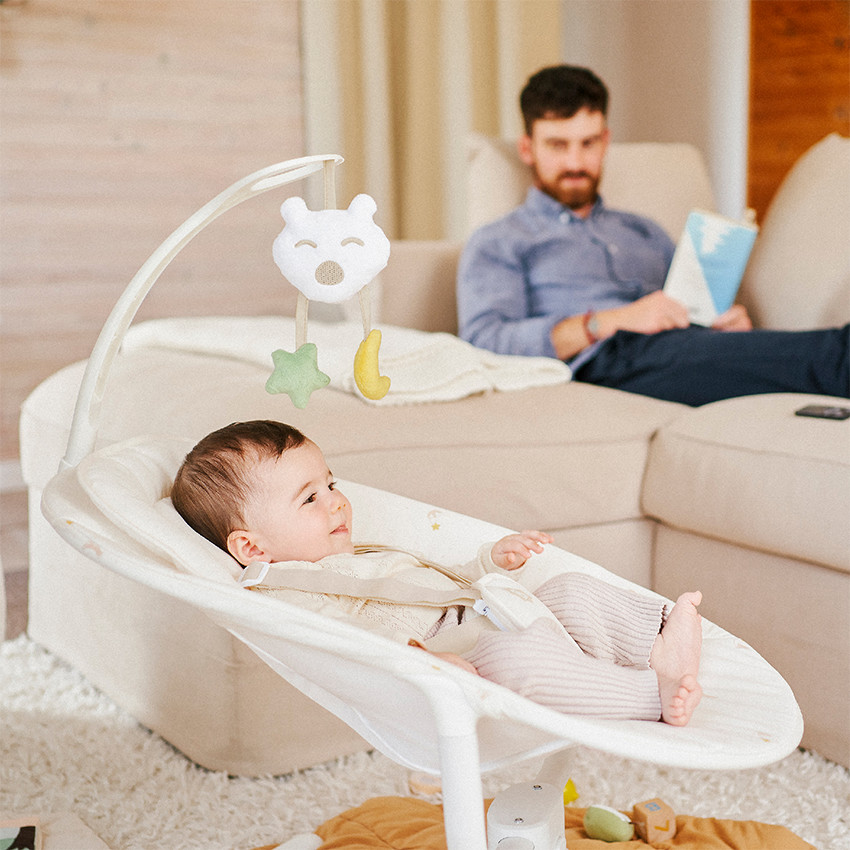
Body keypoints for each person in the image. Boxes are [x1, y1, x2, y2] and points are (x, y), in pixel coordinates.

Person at [171, 419, 704, 726]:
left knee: (570, 588)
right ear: (251, 546)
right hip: (462, 653)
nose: (337, 503)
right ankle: (650, 697)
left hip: (487, 606)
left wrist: (491, 560)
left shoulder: (360, 553)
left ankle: (652, 642)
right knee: (522, 663)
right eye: (310, 498)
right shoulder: (287, 590)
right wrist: (423, 661)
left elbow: (429, 576)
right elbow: (346, 640)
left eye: (332, 484)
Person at [456, 64, 850, 406]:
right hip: (603, 363)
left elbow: (686, 313)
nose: (575, 162)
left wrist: (720, 326)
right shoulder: (501, 240)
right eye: (558, 146)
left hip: (673, 355)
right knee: (832, 356)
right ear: (527, 148)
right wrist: (605, 322)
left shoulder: (643, 231)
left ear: (606, 142)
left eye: (588, 143)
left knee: (784, 357)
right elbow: (484, 340)